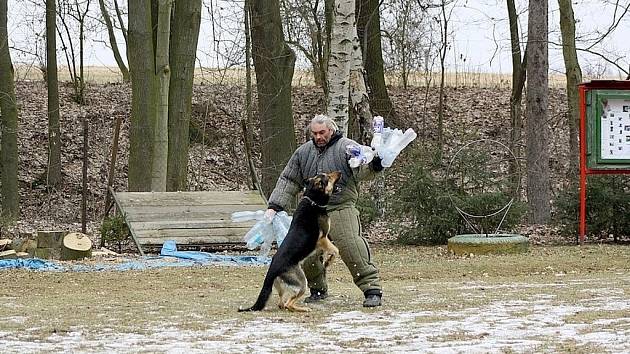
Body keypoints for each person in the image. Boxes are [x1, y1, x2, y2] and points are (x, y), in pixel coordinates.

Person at [264, 114, 384, 307]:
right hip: (311, 211)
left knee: (351, 247)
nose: (318, 137)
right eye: (315, 133)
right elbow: (289, 179)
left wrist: (375, 165)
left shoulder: (347, 147)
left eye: (322, 132)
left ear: (331, 130)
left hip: (340, 206)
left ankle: (372, 289)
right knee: (308, 254)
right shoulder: (303, 153)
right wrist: (275, 205)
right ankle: (317, 289)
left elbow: (363, 170)